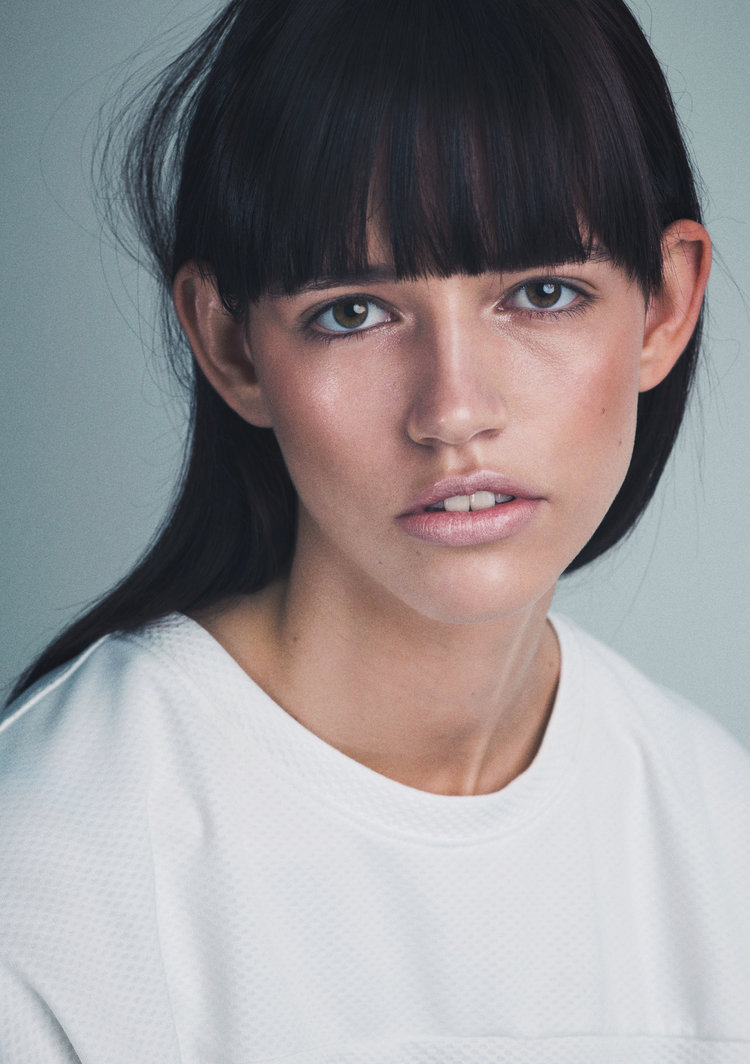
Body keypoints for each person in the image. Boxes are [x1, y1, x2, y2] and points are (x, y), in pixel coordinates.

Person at [1, 0, 749, 1059]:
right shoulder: (48, 877)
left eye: (542, 293)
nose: (454, 411)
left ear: (665, 305)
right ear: (231, 346)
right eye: (352, 311)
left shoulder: (717, 825)